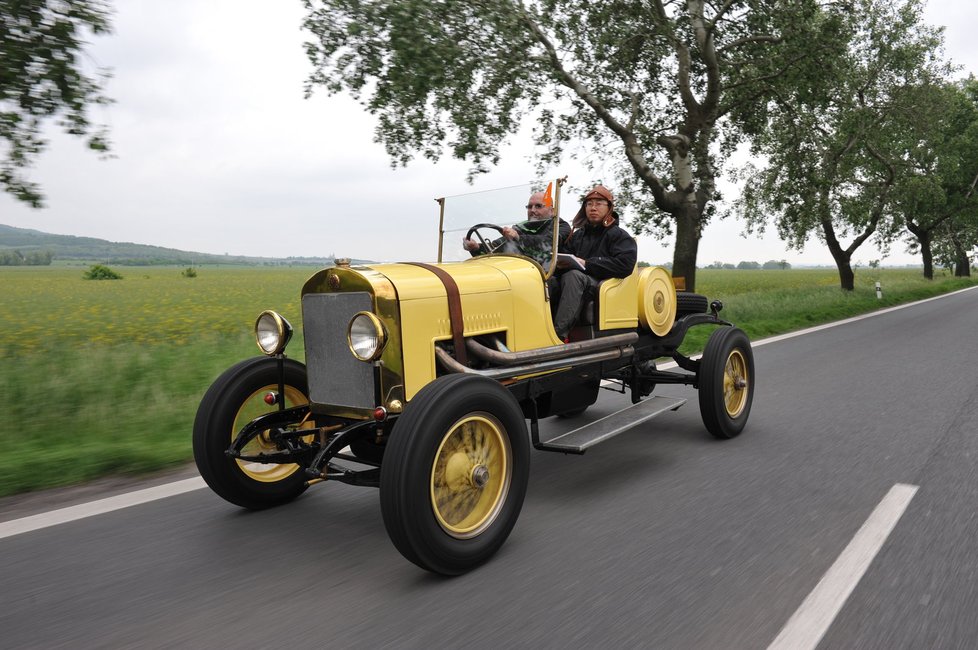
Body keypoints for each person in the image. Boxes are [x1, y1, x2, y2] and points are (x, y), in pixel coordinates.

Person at [548, 185, 637, 340]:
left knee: (573, 276)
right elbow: (565, 255)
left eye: (598, 203)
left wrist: (587, 263)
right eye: (589, 204)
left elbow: (625, 265)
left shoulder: (619, 235)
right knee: (546, 281)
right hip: (574, 282)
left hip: (601, 286)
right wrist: (560, 263)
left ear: (609, 208)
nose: (593, 208)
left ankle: (557, 337)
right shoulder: (577, 235)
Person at [462, 190, 571, 265]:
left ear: (552, 211)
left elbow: (548, 243)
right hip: (520, 275)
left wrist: (518, 238)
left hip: (551, 278)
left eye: (538, 206)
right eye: (529, 207)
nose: (532, 210)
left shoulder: (561, 226)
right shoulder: (521, 228)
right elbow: (495, 249)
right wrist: (476, 247)